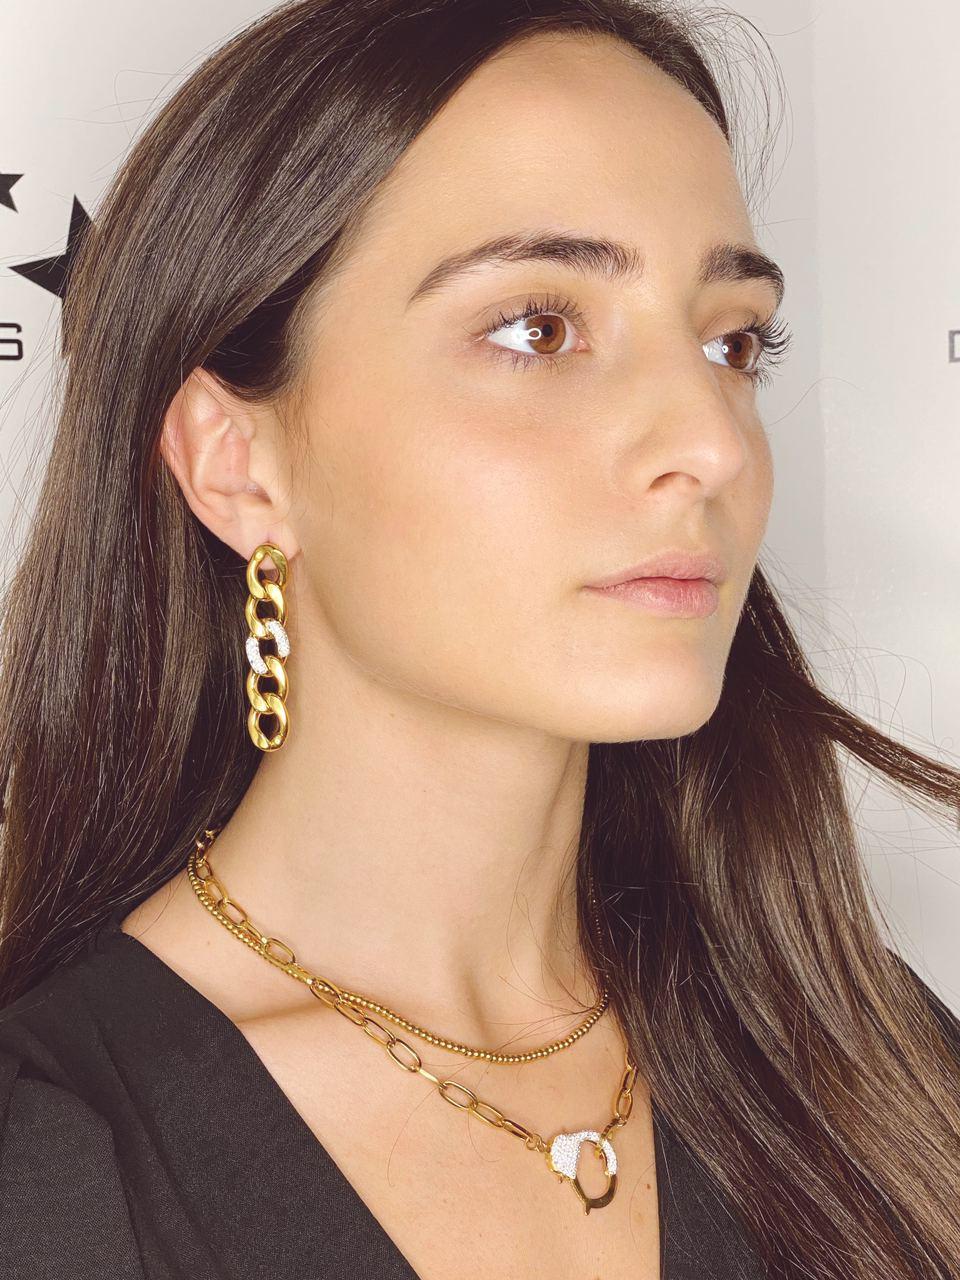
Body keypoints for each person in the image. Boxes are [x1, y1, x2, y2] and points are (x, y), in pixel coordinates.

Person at [1, 1, 958, 1277]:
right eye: (538, 329)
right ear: (235, 462)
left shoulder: (875, 1065)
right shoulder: (51, 1165)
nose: (713, 441)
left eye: (732, 341)